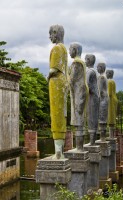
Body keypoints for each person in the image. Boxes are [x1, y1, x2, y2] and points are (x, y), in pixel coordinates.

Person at [47, 25, 68, 159]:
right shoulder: (64, 49)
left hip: (56, 83)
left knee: (56, 114)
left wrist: (47, 77)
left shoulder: (56, 48)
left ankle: (58, 152)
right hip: (63, 82)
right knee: (61, 114)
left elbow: (53, 69)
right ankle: (60, 150)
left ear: (55, 33)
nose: (49, 37)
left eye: (51, 34)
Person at [68, 43, 89, 151]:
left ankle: (79, 148)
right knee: (79, 120)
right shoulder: (82, 62)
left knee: (78, 121)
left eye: (70, 49)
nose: (69, 51)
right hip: (81, 91)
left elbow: (71, 80)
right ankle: (79, 147)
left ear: (75, 50)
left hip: (78, 93)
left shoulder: (76, 62)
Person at [85, 54, 99, 145]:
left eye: (86, 59)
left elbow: (85, 84)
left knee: (91, 117)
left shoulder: (90, 71)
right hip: (94, 96)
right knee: (92, 117)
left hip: (92, 97)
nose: (85, 61)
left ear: (89, 60)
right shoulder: (94, 71)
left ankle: (92, 141)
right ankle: (92, 140)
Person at [97, 62, 109, 141]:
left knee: (102, 119)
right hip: (105, 99)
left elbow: (100, 90)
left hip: (102, 100)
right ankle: (103, 137)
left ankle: (102, 138)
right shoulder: (105, 77)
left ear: (101, 67)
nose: (97, 69)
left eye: (98, 67)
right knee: (103, 119)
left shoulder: (101, 77)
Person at [106, 69, 117, 138]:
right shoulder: (113, 81)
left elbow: (109, 93)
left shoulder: (109, 81)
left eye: (106, 73)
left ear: (109, 74)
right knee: (112, 117)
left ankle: (111, 136)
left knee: (110, 118)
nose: (106, 74)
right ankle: (112, 135)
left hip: (110, 100)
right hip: (114, 99)